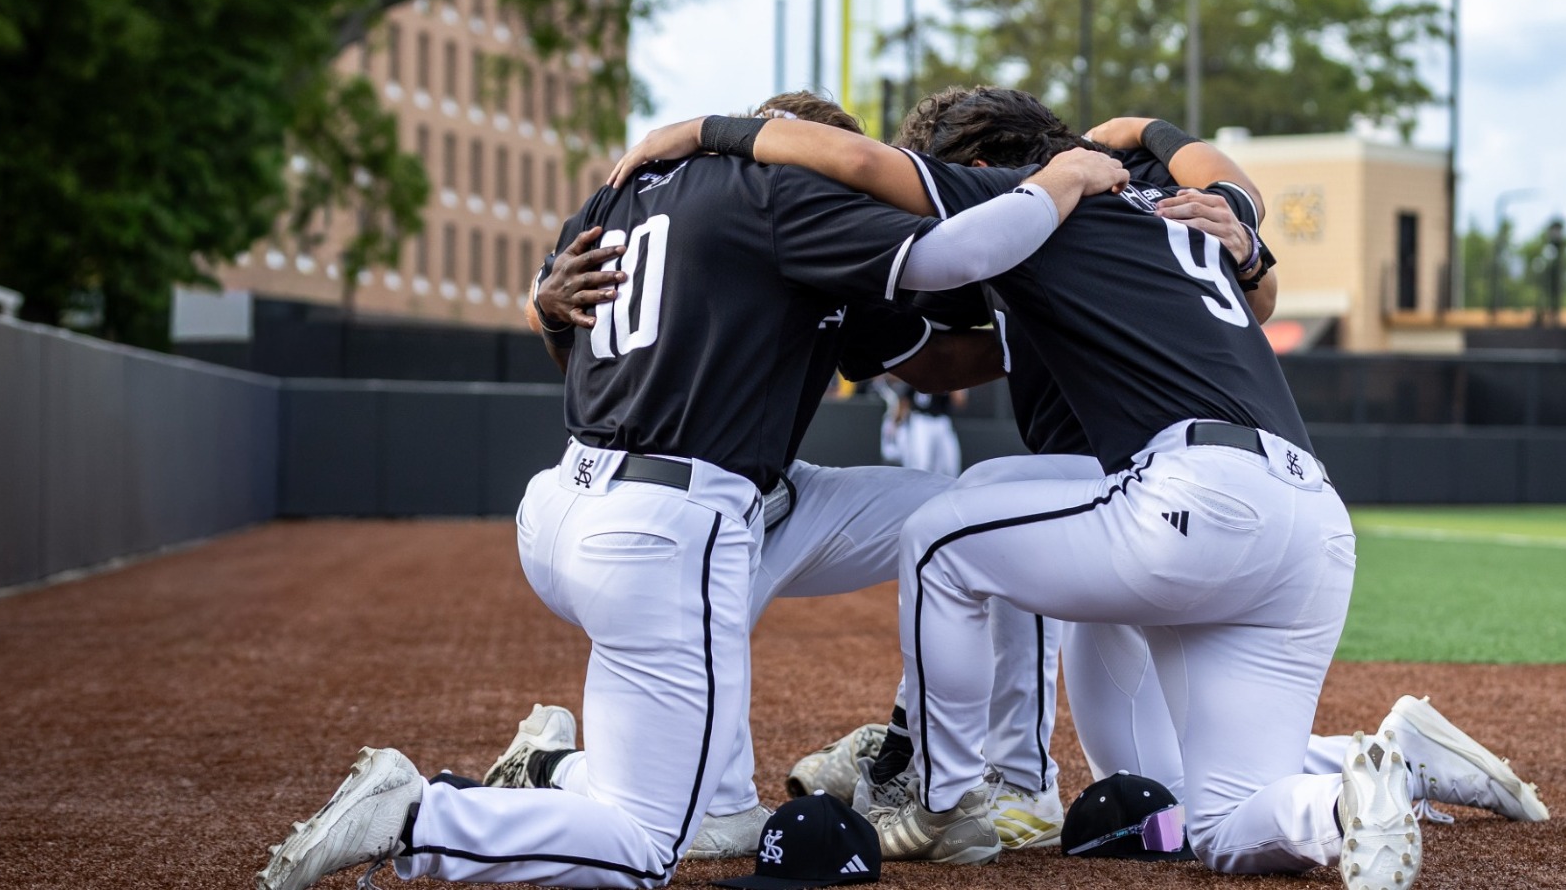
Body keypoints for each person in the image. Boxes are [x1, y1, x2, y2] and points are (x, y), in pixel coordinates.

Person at [254, 99, 1128, 890]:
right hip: (673, 521)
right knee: (657, 842)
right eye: (843, 166)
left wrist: (542, 307)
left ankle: (558, 769)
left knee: (968, 519)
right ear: (802, 153)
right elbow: (947, 254)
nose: (861, 191)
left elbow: (922, 358)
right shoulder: (785, 195)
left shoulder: (628, 194)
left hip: (596, 501)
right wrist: (1065, 211)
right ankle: (420, 814)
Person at [607, 91, 1413, 886]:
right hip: (1311, 524)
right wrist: (1144, 131)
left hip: (1193, 495)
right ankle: (1347, 800)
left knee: (941, 537)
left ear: (985, 167)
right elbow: (1243, 221)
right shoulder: (1177, 205)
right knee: (1225, 826)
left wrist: (700, 131)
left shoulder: (1042, 196)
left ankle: (944, 799)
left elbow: (858, 160)